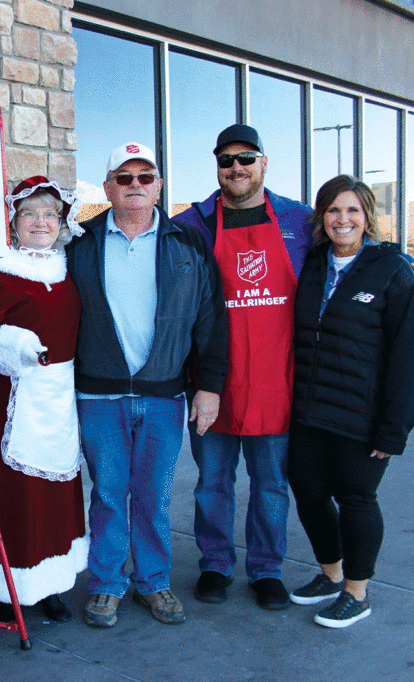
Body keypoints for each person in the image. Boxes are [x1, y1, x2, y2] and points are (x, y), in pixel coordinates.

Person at [68, 142, 227, 628]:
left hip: (163, 395)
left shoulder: (187, 243)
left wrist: (210, 386)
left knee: (154, 496)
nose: (135, 185)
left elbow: (210, 320)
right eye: (124, 177)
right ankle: (107, 585)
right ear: (109, 186)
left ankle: (154, 582)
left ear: (158, 186)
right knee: (110, 493)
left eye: (145, 177)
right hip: (98, 395)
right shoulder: (79, 243)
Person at [173, 124, 313, 611]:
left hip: (277, 378)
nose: (237, 168)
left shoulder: (299, 220)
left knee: (271, 484)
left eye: (246, 158)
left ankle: (266, 569)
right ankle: (214, 563)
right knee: (213, 481)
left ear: (263, 163)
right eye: (227, 160)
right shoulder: (194, 224)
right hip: (211, 381)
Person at [0, 176, 88, 624]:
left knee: (52, 492)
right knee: (12, 494)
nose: (41, 222)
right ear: (14, 220)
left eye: (50, 213)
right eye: (30, 213)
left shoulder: (69, 269)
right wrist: (10, 343)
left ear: (62, 221)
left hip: (56, 399)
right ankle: (8, 585)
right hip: (4, 399)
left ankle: (47, 582)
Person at [287, 175, 414, 628]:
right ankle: (330, 573)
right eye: (334, 210)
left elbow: (407, 355)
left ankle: (357, 593)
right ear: (321, 217)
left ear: (367, 218)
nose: (343, 219)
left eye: (352, 210)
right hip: (309, 407)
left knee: (356, 498)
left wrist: (393, 428)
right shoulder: (314, 263)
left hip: (362, 413)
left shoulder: (393, 270)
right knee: (308, 491)